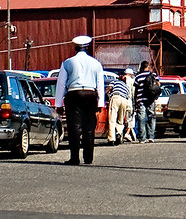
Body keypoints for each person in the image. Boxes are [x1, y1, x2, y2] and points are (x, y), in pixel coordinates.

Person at [55, 35, 106, 165]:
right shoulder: (96, 63)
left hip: (73, 94)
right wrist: (100, 103)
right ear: (87, 48)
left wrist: (58, 104)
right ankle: (88, 158)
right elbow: (100, 84)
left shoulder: (67, 63)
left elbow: (61, 84)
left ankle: (75, 157)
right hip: (90, 94)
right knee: (89, 127)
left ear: (75, 48)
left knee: (74, 127)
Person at [133, 61, 160, 143]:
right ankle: (151, 136)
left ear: (141, 67)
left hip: (141, 100)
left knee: (142, 118)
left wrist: (136, 99)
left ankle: (142, 138)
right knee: (152, 117)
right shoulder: (153, 75)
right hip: (151, 99)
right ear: (148, 67)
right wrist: (155, 95)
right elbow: (158, 84)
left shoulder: (138, 77)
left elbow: (136, 89)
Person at [105, 70, 131, 145]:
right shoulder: (126, 86)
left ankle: (111, 139)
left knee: (112, 119)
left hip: (116, 97)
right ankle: (119, 133)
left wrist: (103, 94)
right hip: (124, 100)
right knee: (120, 120)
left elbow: (109, 88)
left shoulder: (115, 82)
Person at [121, 67, 137, 142]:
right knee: (130, 119)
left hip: (121, 100)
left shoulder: (121, 79)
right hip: (129, 101)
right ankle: (127, 133)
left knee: (121, 118)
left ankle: (120, 133)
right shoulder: (131, 80)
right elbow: (133, 93)